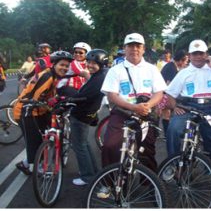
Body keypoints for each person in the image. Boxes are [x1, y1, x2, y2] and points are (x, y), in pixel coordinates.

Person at [100, 32, 166, 194]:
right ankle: (108, 183)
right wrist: (133, 108)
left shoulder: (151, 69)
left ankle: (149, 183)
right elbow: (112, 95)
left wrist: (147, 105)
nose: (134, 49)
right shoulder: (116, 70)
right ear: (124, 49)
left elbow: (159, 93)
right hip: (122, 113)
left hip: (145, 114)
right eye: (130, 46)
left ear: (143, 49)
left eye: (138, 46)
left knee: (147, 149)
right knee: (109, 145)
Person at [163, 39, 211, 191]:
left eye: (201, 53)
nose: (198, 57)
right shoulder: (183, 73)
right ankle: (172, 165)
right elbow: (170, 94)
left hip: (209, 108)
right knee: (173, 129)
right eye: (194, 54)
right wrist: (174, 107)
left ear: (206, 54)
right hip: (187, 107)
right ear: (189, 55)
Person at [13, 51, 73, 175]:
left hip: (38, 111)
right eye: (62, 65)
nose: (65, 68)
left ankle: (25, 164)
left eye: (67, 66)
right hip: (26, 111)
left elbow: (48, 96)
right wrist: (52, 103)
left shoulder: (53, 75)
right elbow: (36, 99)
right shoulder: (48, 77)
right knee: (35, 141)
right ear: (54, 64)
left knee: (46, 135)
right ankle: (36, 167)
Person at [70, 49, 108, 186]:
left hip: (81, 115)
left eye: (94, 63)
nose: (90, 65)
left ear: (102, 63)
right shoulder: (100, 74)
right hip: (87, 114)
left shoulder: (99, 78)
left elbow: (85, 96)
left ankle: (87, 176)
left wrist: (67, 99)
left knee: (79, 146)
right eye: (89, 62)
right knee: (84, 144)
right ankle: (92, 172)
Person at [160, 49, 189, 134]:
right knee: (168, 114)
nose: (186, 63)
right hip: (164, 95)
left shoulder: (171, 65)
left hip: (163, 94)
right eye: (185, 61)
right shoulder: (171, 67)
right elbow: (170, 84)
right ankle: (168, 133)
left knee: (167, 114)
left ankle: (167, 133)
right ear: (180, 60)